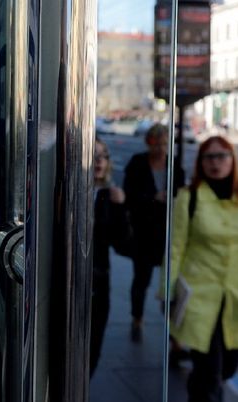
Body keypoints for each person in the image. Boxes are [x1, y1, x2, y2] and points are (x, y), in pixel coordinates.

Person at [165, 136, 238, 402]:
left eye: (222, 156)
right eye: (209, 157)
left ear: (233, 159)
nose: (215, 162)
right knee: (209, 371)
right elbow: (175, 247)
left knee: (228, 365)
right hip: (199, 296)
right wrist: (167, 291)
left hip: (237, 296)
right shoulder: (189, 197)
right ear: (200, 162)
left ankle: (199, 384)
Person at [123, 123, 184, 341]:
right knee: (142, 279)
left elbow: (182, 195)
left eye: (163, 143)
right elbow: (129, 194)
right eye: (154, 143)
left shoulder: (174, 164)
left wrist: (172, 198)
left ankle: (173, 330)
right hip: (144, 232)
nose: (159, 148)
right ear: (148, 143)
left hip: (168, 232)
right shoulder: (138, 163)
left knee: (172, 282)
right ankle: (137, 318)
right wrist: (152, 197)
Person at [90, 138, 133, 376]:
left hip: (98, 282)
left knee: (92, 350)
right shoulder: (63, 190)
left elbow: (124, 245)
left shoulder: (110, 195)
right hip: (62, 278)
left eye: (103, 155)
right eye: (93, 155)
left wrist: (120, 208)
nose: (99, 161)